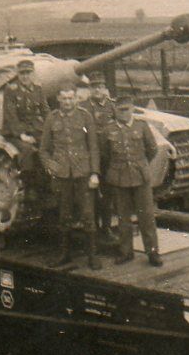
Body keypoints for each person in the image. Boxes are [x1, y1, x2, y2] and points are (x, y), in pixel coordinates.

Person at [39, 86, 101, 269]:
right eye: (64, 98)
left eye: (70, 98)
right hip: (62, 174)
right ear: (59, 99)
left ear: (76, 99)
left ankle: (92, 256)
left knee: (88, 214)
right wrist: (51, 166)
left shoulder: (85, 116)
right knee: (64, 214)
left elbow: (93, 147)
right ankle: (64, 254)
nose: (67, 102)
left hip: (83, 172)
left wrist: (95, 173)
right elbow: (43, 150)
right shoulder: (52, 118)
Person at [102, 95, 162, 267]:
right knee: (123, 218)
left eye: (126, 109)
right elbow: (105, 153)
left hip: (140, 178)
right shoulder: (108, 130)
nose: (123, 113)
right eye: (120, 110)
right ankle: (126, 252)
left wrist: (141, 165)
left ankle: (152, 252)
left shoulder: (141, 126)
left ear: (132, 109)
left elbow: (152, 149)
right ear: (115, 110)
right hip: (119, 178)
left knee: (147, 217)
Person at [80, 73, 117, 238]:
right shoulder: (84, 107)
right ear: (89, 89)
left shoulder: (112, 106)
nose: (97, 90)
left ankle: (107, 227)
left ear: (105, 89)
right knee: (91, 193)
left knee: (108, 194)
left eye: (100, 87)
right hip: (90, 156)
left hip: (108, 156)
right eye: (94, 86)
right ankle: (92, 227)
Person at [2, 59, 49, 175]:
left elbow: (45, 110)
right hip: (14, 133)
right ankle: (28, 182)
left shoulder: (38, 89)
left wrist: (53, 127)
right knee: (27, 150)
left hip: (34, 129)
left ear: (32, 74)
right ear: (18, 74)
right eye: (22, 73)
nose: (25, 76)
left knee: (49, 144)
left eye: (28, 73)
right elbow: (11, 115)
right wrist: (21, 135)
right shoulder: (11, 90)